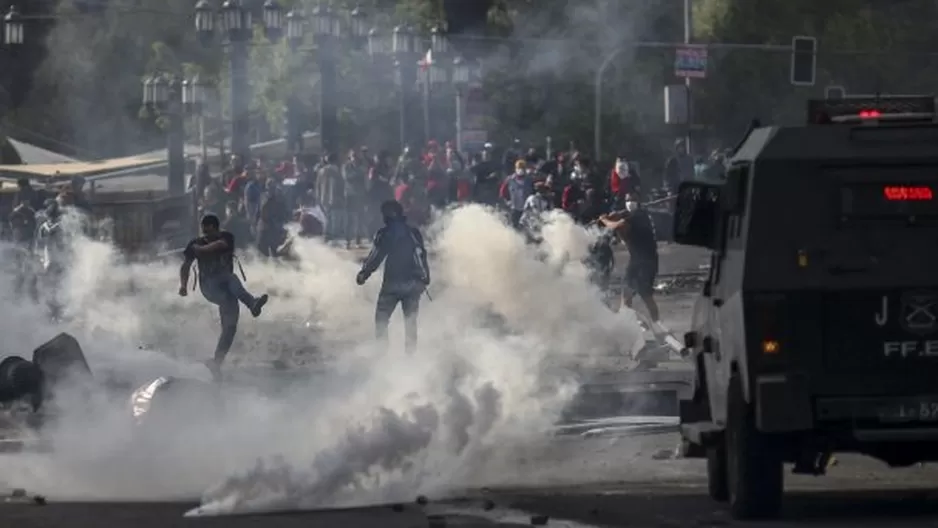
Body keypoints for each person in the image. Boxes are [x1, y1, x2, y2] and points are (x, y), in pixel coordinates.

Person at [179, 214, 269, 381]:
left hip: (228, 290)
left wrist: (201, 250)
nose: (206, 234)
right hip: (209, 287)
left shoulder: (226, 237)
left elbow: (219, 245)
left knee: (230, 328)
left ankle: (216, 363)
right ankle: (252, 303)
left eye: (209, 230)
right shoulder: (195, 243)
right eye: (204, 231)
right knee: (231, 278)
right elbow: (185, 266)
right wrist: (183, 285)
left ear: (216, 228)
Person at [355, 200, 430, 354]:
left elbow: (376, 256)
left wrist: (364, 273)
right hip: (413, 284)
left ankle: (382, 356)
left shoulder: (385, 233)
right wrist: (425, 277)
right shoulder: (413, 232)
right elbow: (420, 255)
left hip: (392, 285)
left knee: (381, 321)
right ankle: (410, 358)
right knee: (410, 323)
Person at [599, 193, 660, 323]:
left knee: (645, 294)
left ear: (638, 202)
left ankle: (657, 322)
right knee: (626, 292)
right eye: (627, 200)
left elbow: (617, 226)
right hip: (636, 260)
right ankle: (626, 322)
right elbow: (623, 231)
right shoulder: (632, 215)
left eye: (633, 200)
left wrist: (604, 220)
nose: (630, 202)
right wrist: (616, 215)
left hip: (646, 261)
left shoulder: (639, 215)